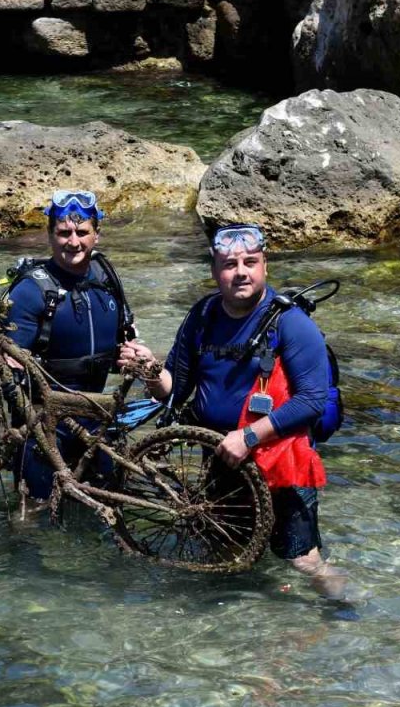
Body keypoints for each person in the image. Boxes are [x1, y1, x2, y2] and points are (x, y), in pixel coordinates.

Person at [117, 224, 346, 598]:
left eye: (250, 262)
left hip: (281, 463)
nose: (241, 272)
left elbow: (311, 401)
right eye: (229, 264)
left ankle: (343, 612)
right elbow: (175, 389)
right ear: (214, 270)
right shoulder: (202, 316)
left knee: (304, 561)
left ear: (265, 266)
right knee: (224, 551)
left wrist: (249, 437)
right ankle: (228, 622)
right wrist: (152, 371)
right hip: (221, 458)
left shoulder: (291, 324)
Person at [4, 190, 135, 502]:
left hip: (97, 419)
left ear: (96, 235)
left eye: (82, 232)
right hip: (45, 428)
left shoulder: (106, 279)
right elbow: (7, 368)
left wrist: (131, 357)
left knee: (109, 506)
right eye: (64, 233)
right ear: (50, 235)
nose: (73, 242)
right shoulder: (30, 291)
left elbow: (121, 343)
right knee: (36, 514)